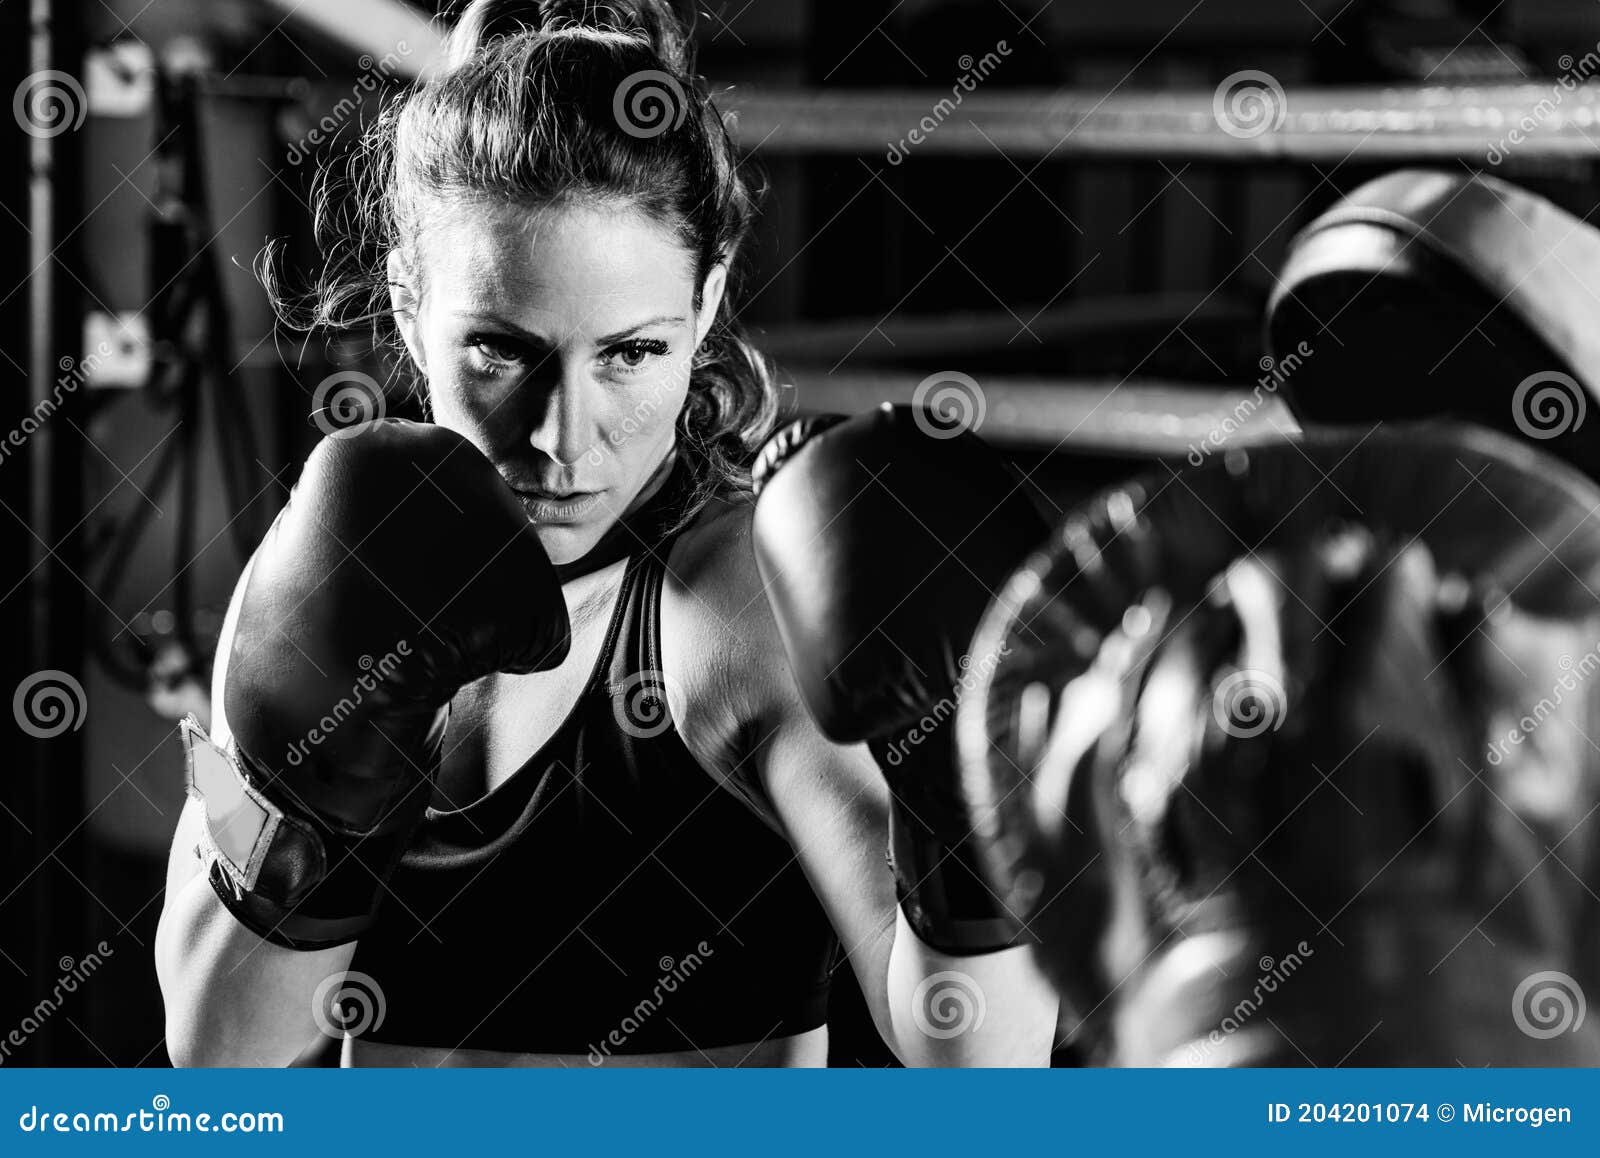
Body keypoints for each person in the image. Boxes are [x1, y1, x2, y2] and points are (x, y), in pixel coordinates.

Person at [155, 0, 1057, 1067]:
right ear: (406, 307)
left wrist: (960, 787)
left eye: (629, 353)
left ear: (707, 301)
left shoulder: (731, 611)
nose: (560, 438)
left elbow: (983, 1058)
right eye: (500, 349)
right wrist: (307, 818)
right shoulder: (320, 574)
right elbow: (215, 1057)